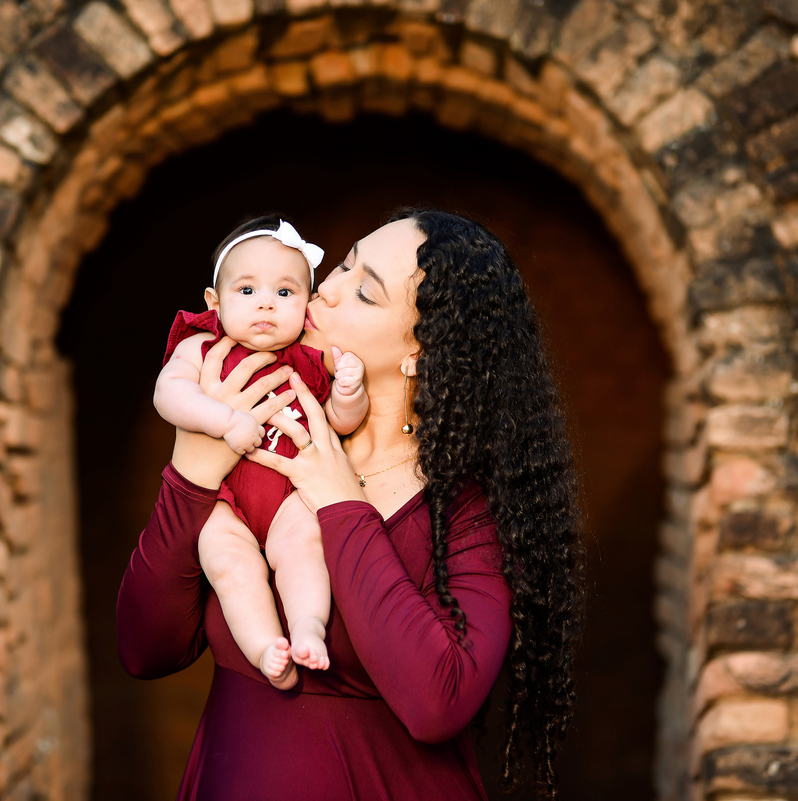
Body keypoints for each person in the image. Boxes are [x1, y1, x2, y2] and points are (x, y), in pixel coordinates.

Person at [119, 208, 588, 801]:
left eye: (364, 291)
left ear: (424, 351)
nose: (328, 290)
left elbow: (437, 702)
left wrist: (342, 504)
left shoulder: (466, 515)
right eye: (342, 263)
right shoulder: (256, 445)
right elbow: (144, 649)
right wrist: (191, 472)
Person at [153, 215, 369, 689]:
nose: (266, 303)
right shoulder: (202, 345)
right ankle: (265, 648)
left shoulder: (310, 357)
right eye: (247, 291)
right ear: (215, 301)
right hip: (223, 503)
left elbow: (334, 424)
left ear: (306, 306)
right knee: (230, 566)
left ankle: (308, 627)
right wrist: (225, 421)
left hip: (289, 494)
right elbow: (168, 396)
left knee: (303, 549)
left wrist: (349, 395)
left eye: (285, 293)